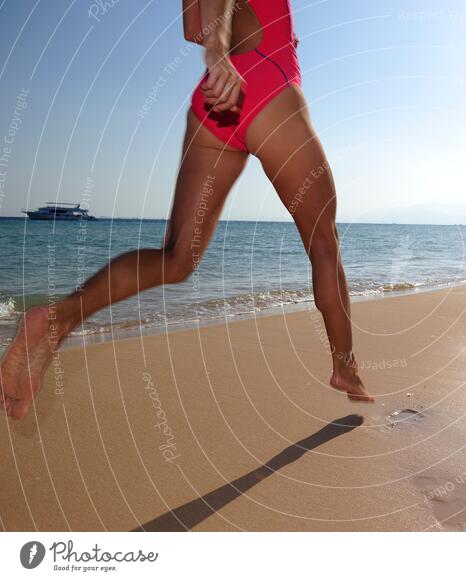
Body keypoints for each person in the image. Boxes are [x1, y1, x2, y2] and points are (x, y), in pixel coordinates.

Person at [1, 0, 373, 420]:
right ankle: (345, 367)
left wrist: (229, 41)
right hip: (264, 85)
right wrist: (219, 51)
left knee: (176, 259)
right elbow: (209, 35)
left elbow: (192, 28)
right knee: (324, 243)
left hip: (216, 101)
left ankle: (56, 321)